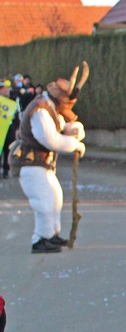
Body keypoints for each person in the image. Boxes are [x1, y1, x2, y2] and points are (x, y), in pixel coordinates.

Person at [9, 77, 86, 252]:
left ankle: (51, 234)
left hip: (43, 164)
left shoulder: (50, 108)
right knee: (43, 201)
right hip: (30, 163)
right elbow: (50, 139)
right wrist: (74, 144)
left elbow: (62, 128)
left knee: (54, 197)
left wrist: (74, 131)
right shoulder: (40, 110)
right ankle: (40, 239)